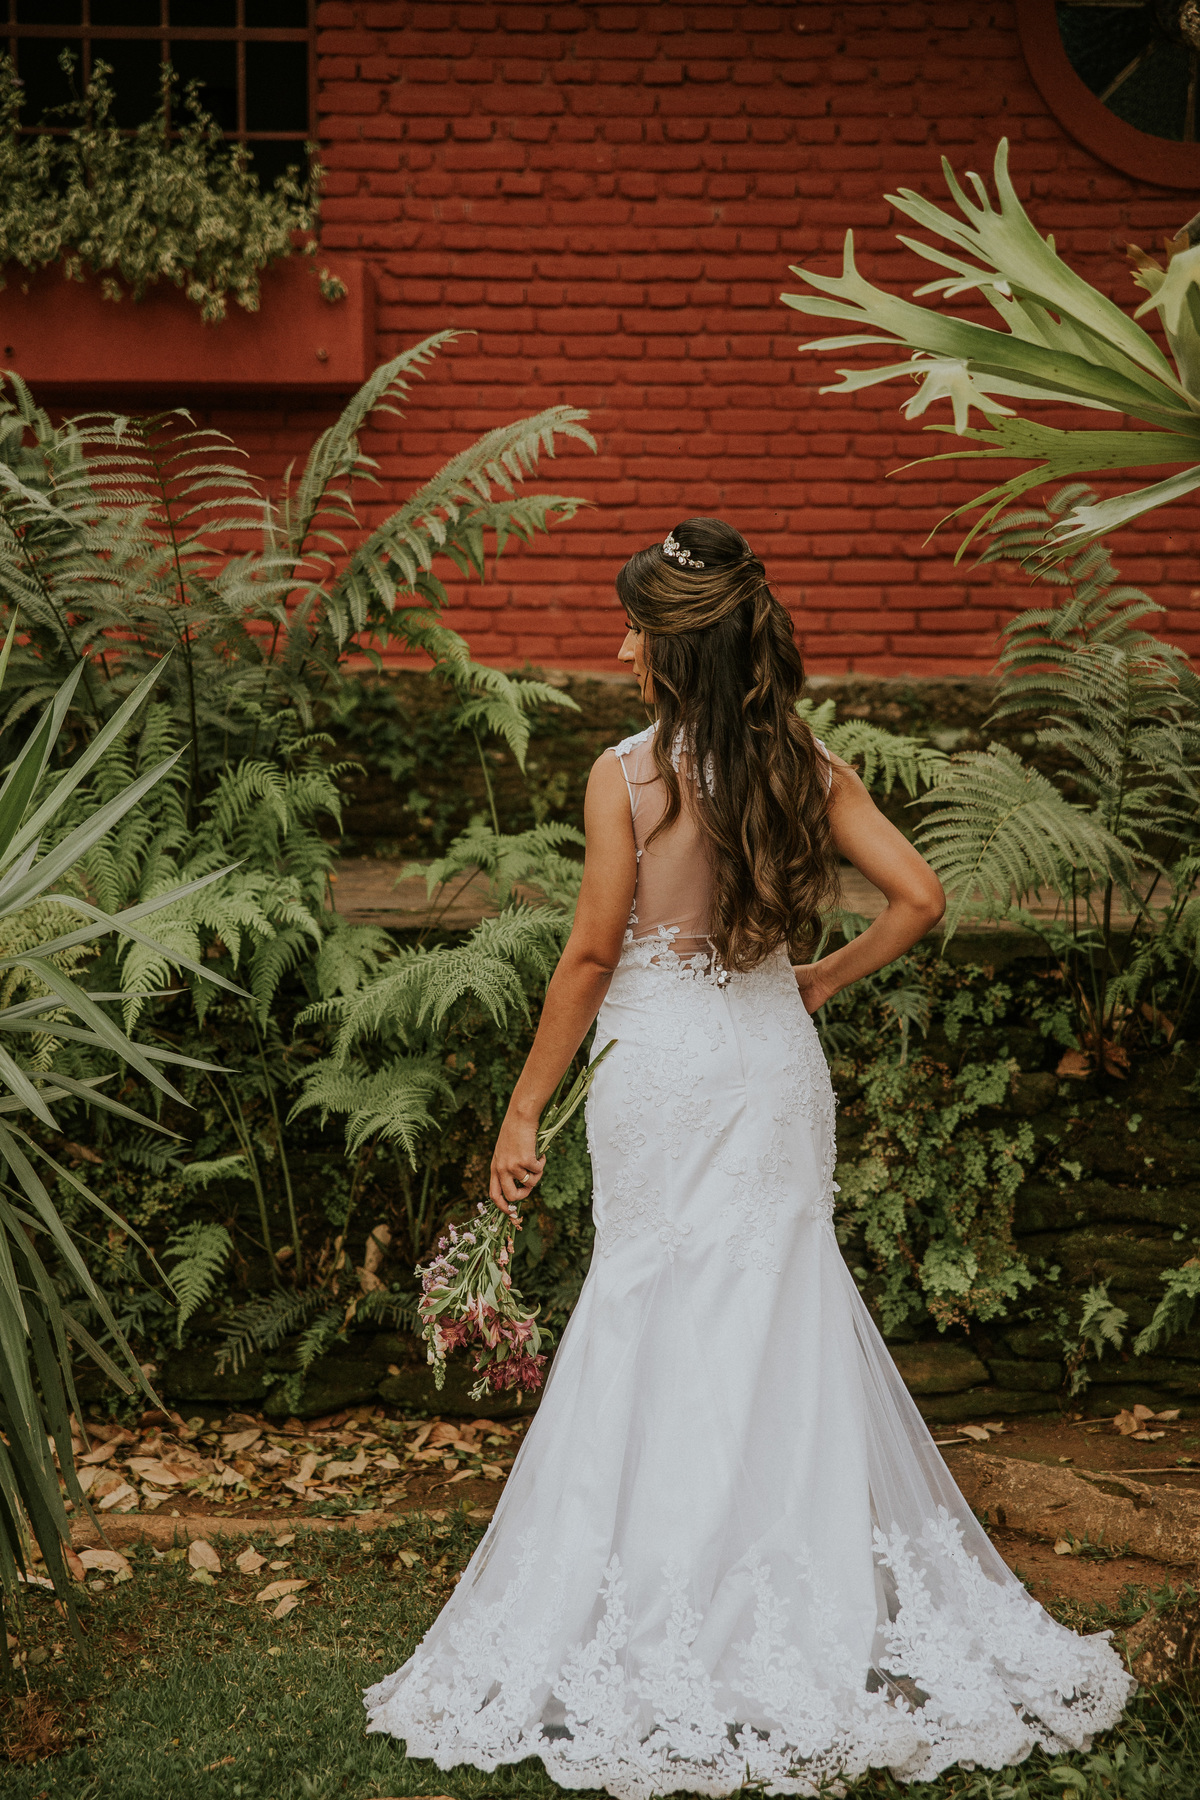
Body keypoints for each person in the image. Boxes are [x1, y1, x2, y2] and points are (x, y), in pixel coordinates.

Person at [365, 518, 1132, 1798]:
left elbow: (592, 954)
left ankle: (662, 1599)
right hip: (772, 1062)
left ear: (677, 652)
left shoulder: (626, 776)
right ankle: (796, 1606)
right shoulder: (806, 765)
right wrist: (818, 977)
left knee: (650, 1305)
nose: (619, 648)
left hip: (662, 1072)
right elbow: (924, 897)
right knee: (781, 1313)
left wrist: (521, 1110)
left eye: (633, 630)